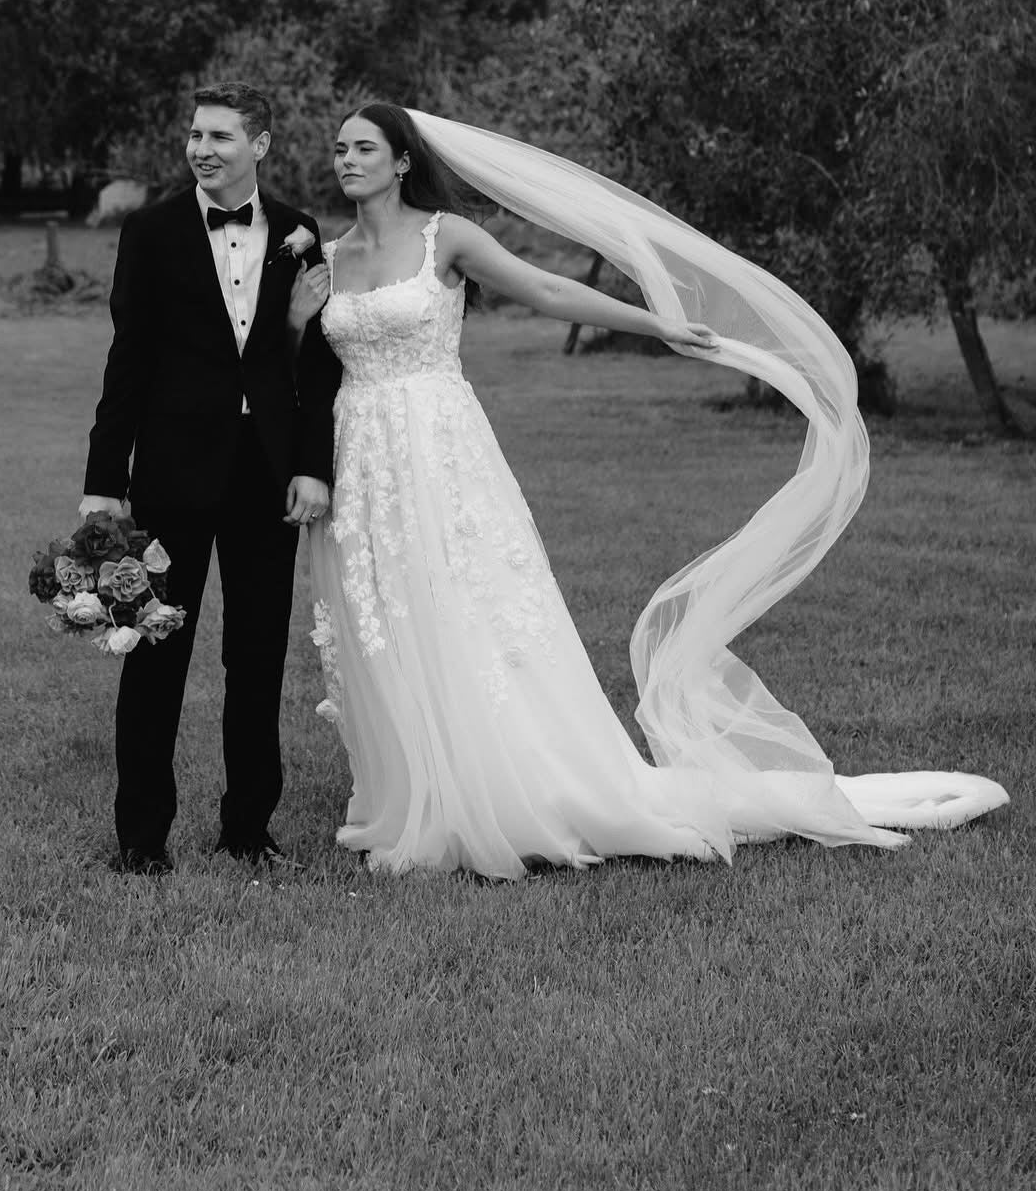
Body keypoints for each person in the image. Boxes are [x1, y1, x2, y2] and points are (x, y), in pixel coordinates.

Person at [288, 103, 1009, 879]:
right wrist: (297, 322)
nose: (347, 158)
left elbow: (546, 289)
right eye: (340, 148)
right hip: (360, 458)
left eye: (365, 147)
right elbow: (298, 367)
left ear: (402, 161)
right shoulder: (327, 257)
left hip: (440, 451)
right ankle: (417, 791)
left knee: (465, 609)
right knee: (387, 621)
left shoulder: (446, 237)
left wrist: (655, 324)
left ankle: (504, 790)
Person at [80, 83, 338, 874]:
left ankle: (248, 828)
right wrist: (104, 479)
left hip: (266, 474)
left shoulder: (298, 230)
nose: (202, 148)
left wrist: (311, 466)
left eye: (221, 136)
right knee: (154, 653)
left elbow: (315, 360)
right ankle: (140, 838)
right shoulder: (151, 231)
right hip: (170, 473)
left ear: (260, 144)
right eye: (196, 134)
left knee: (256, 659)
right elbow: (128, 359)